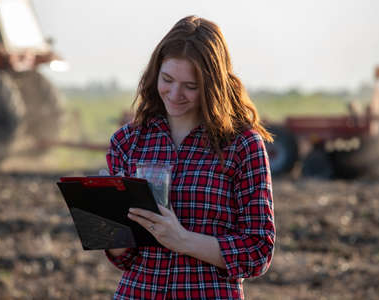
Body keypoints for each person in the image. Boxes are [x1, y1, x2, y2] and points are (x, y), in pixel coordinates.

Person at [105, 15, 275, 300]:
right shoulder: (128, 141)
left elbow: (258, 251)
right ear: (154, 73)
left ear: (213, 85)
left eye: (190, 86)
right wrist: (110, 232)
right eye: (167, 79)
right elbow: (122, 257)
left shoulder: (243, 145)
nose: (174, 93)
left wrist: (184, 240)